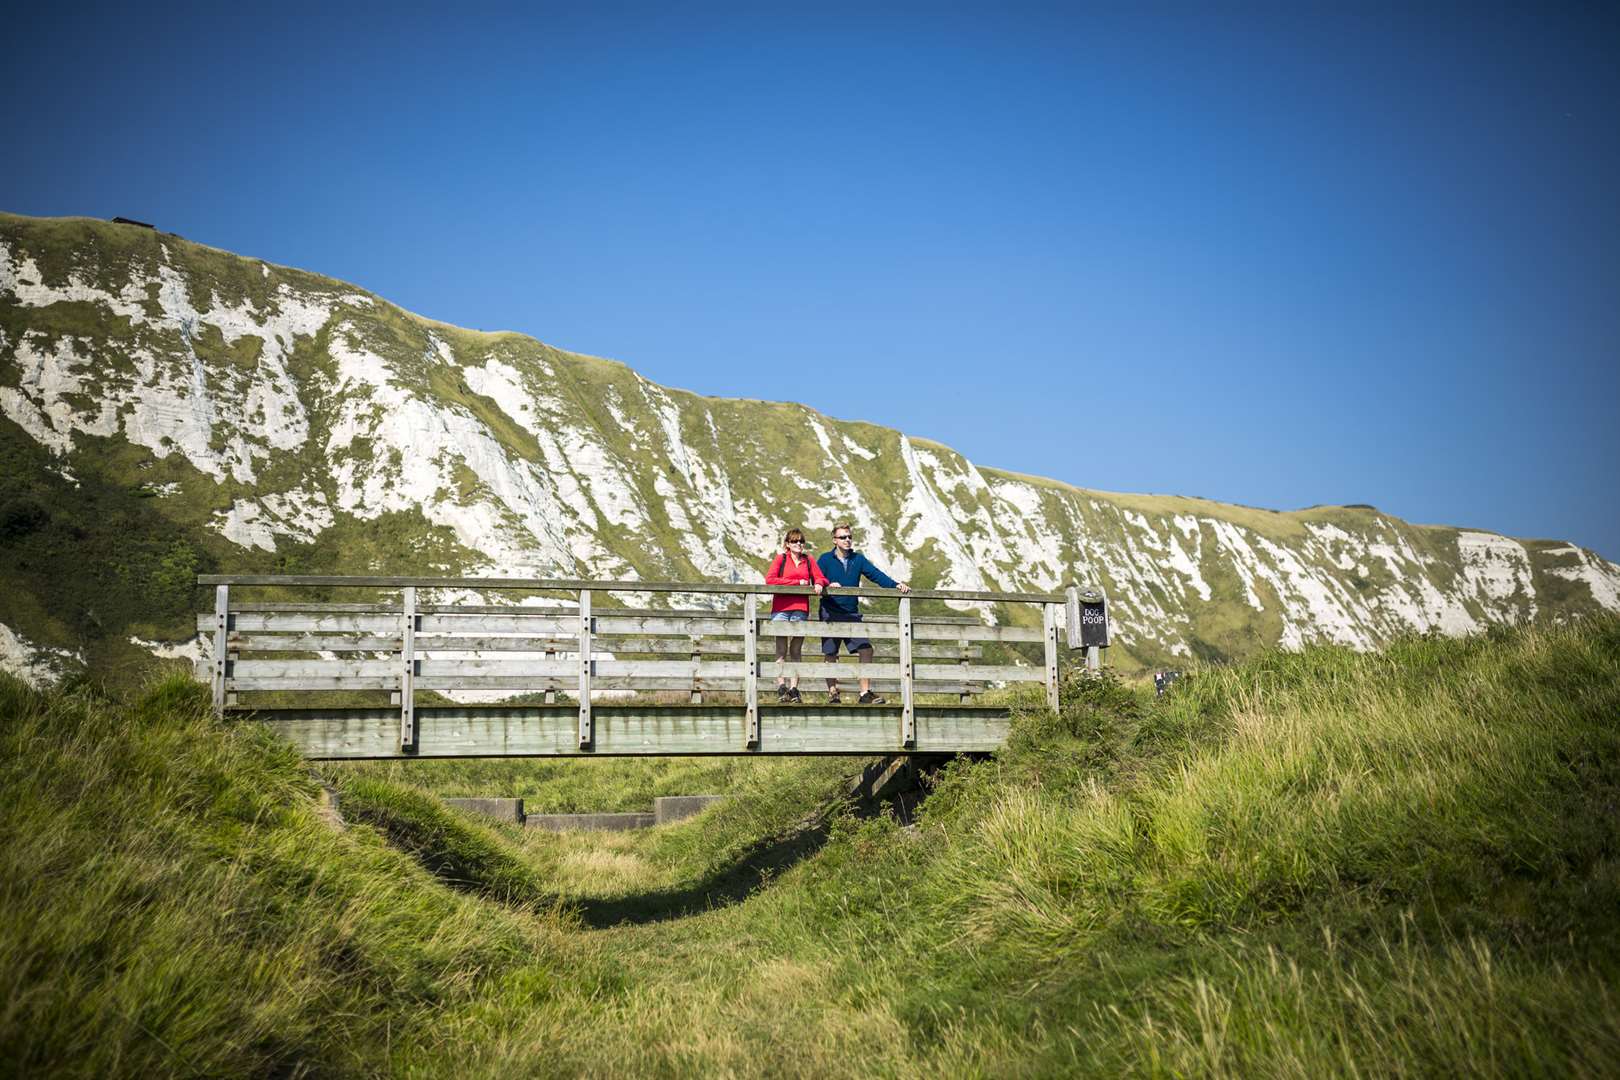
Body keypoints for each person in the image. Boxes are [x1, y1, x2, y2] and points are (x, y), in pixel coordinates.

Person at [816, 522, 910, 704]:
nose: (847, 540)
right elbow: (816, 577)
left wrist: (895, 585)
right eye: (843, 537)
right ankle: (833, 692)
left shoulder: (857, 559)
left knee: (866, 649)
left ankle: (864, 693)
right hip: (830, 612)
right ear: (835, 540)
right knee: (831, 652)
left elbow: (875, 574)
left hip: (851, 613)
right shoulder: (825, 559)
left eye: (849, 536)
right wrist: (827, 583)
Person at [764, 527, 831, 703]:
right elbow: (770, 579)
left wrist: (817, 583)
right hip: (780, 608)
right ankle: (781, 686)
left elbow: (821, 577)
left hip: (800, 608)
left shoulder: (808, 560)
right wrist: (797, 583)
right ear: (787, 544)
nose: (799, 544)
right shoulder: (781, 559)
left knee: (796, 649)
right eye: (794, 541)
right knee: (781, 649)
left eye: (801, 541)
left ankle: (794, 688)